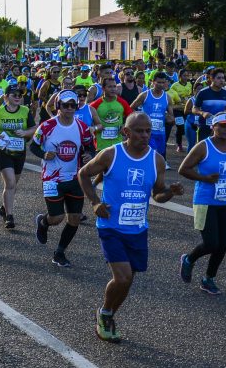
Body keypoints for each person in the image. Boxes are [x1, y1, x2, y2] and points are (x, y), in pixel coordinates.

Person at [78, 112, 184, 343]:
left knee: (129, 279)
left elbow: (157, 194)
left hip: (137, 228)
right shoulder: (111, 154)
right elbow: (83, 174)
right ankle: (105, 314)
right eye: (138, 130)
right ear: (126, 132)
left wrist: (170, 193)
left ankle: (107, 314)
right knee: (123, 277)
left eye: (148, 131)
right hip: (110, 226)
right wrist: (95, 202)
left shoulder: (156, 160)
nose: (144, 135)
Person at [178, 112, 226, 295]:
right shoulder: (204, 147)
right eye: (222, 125)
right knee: (211, 243)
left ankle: (209, 278)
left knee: (223, 244)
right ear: (213, 126)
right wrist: (204, 178)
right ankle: (188, 259)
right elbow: (183, 169)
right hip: (205, 201)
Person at [31, 90, 96, 267]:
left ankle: (59, 252)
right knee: (57, 218)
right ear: (58, 106)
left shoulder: (82, 126)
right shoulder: (46, 126)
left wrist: (89, 155)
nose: (69, 109)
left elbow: (90, 146)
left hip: (74, 178)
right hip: (52, 179)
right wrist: (44, 154)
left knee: (74, 218)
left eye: (72, 105)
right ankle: (43, 222)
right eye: (65, 105)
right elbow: (33, 147)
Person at [0, 84, 37, 229]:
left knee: (14, 184)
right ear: (6, 97)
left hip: (19, 152)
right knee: (10, 183)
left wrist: (25, 133)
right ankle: (9, 216)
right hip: (3, 151)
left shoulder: (25, 111)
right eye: (14, 95)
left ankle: (4, 207)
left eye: (20, 95)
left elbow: (34, 128)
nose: (17, 97)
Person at [129, 72, 174, 165]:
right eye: (158, 82)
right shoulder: (145, 95)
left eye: (163, 82)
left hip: (161, 132)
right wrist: (138, 118)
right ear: (153, 82)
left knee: (159, 153)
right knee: (151, 153)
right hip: (147, 132)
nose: (161, 85)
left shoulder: (167, 98)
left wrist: (169, 118)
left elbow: (171, 116)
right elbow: (131, 108)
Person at [89, 77, 134, 152]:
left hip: (118, 145)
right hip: (101, 146)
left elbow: (132, 117)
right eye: (110, 87)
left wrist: (125, 126)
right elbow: (87, 122)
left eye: (114, 86)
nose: (113, 89)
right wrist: (94, 128)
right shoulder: (95, 105)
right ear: (103, 89)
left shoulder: (122, 102)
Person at [192, 68, 226, 141]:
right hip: (205, 127)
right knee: (203, 150)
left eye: (223, 78)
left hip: (221, 128)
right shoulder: (202, 92)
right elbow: (194, 109)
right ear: (212, 79)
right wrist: (202, 113)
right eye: (219, 78)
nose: (222, 80)